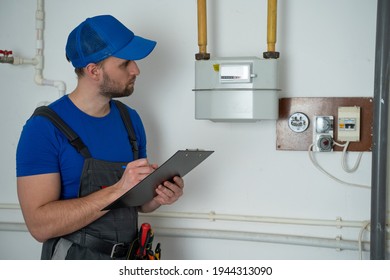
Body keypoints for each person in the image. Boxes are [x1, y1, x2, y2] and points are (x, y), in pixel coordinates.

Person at [16, 14, 184, 260]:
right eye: (125, 63)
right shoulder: (43, 128)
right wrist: (117, 190)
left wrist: (158, 197)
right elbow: (39, 226)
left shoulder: (130, 120)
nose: (136, 70)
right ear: (93, 70)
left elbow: (136, 202)